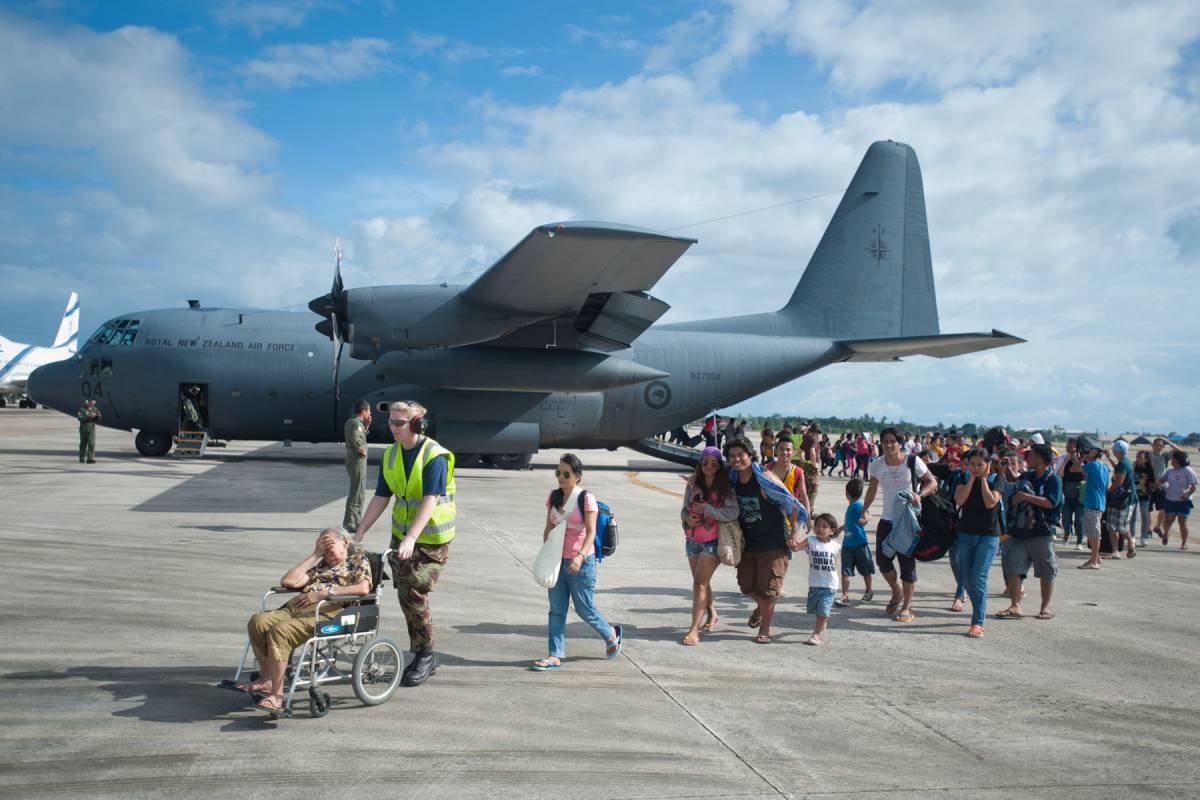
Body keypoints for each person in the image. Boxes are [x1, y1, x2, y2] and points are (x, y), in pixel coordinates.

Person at [353, 400, 455, 687]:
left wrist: (411, 537)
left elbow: (430, 499)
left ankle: (425, 654)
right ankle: (422, 649)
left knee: (413, 593)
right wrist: (361, 529)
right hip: (403, 537)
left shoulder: (434, 455)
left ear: (416, 424)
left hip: (431, 539)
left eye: (399, 423)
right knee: (402, 593)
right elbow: (382, 496)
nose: (393, 427)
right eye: (391, 422)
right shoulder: (391, 455)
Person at [243, 528, 371, 717]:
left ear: (345, 542)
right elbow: (288, 581)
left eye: (329, 546)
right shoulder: (321, 565)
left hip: (328, 610)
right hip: (296, 607)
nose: (327, 552)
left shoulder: (357, 561)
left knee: (280, 631)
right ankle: (267, 678)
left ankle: (276, 697)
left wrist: (324, 594)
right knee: (258, 621)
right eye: (322, 547)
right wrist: (315, 555)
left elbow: (364, 587)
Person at [531, 454, 623, 669]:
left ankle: (610, 634)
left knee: (584, 608)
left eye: (566, 474)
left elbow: (591, 532)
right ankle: (554, 655)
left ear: (577, 476)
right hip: (557, 560)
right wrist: (546, 553)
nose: (561, 477)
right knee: (556, 609)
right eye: (558, 473)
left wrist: (580, 556)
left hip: (581, 561)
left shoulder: (585, 498)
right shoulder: (553, 497)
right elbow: (549, 528)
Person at [725, 437, 806, 644]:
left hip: (773, 542)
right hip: (748, 542)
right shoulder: (731, 478)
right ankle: (762, 608)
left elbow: (791, 503)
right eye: (732, 456)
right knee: (746, 585)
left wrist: (794, 533)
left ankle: (765, 628)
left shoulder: (764, 477)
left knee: (769, 590)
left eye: (740, 455)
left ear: (750, 455)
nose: (736, 459)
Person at [861, 427, 937, 622]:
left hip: (907, 521)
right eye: (885, 441)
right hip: (886, 520)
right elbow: (872, 489)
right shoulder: (877, 466)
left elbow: (932, 483)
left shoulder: (912, 461)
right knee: (882, 561)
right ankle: (896, 591)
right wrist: (864, 509)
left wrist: (919, 495)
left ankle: (907, 607)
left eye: (892, 441)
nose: (888, 445)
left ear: (899, 443)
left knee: (906, 564)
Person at [679, 447, 740, 645]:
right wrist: (687, 519)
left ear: (719, 466)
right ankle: (712, 613)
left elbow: (732, 512)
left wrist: (708, 510)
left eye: (714, 464)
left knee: (699, 583)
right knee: (702, 582)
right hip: (692, 539)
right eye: (705, 463)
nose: (709, 467)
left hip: (713, 541)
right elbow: (684, 509)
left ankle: (693, 629)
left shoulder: (725, 488)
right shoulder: (692, 484)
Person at [997, 443, 1062, 621]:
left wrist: (1025, 497)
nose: (1028, 458)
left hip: (1042, 532)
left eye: (1031, 456)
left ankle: (1045, 607)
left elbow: (1051, 503)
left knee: (1047, 570)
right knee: (1013, 568)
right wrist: (1007, 469)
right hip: (1022, 531)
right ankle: (1015, 605)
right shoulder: (1029, 475)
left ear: (1040, 459)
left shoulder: (1052, 479)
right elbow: (1015, 481)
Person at [952, 449, 1003, 637]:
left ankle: (977, 621)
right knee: (966, 577)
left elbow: (991, 502)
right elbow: (960, 499)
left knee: (978, 577)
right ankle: (977, 609)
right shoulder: (963, 478)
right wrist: (972, 478)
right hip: (966, 534)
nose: (975, 467)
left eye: (979, 464)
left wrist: (983, 480)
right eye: (971, 464)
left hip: (988, 536)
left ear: (988, 465)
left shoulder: (997, 479)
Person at [795, 513, 842, 645]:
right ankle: (822, 622)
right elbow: (796, 547)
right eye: (817, 526)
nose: (820, 529)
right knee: (813, 609)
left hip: (830, 585)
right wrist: (792, 542)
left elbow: (839, 562)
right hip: (815, 583)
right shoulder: (811, 541)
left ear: (832, 531)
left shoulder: (836, 546)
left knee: (823, 609)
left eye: (824, 526)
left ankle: (817, 634)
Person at [835, 477, 873, 606]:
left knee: (865, 570)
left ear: (847, 494)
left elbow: (868, 514)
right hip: (847, 545)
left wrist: (865, 519)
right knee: (846, 570)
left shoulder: (859, 505)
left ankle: (868, 591)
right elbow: (849, 523)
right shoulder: (852, 505)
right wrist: (840, 529)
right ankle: (845, 595)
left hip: (860, 545)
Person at [1076, 436, 1110, 570]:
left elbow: (1074, 468)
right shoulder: (1105, 467)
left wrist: (1083, 458)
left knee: (1094, 534)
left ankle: (1094, 560)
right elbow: (1107, 487)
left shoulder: (1091, 465)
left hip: (1091, 502)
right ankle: (1095, 558)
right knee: (1093, 532)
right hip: (1101, 502)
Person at [342, 400, 372, 533]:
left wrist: (366, 425)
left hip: (353, 459)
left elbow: (359, 434)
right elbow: (356, 438)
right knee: (357, 492)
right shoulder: (356, 424)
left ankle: (355, 520)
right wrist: (362, 449)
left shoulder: (352, 421)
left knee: (358, 490)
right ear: (364, 411)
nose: (370, 413)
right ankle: (350, 522)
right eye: (369, 410)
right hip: (357, 460)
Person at [1104, 440, 1138, 558]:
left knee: (1119, 526)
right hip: (1121, 499)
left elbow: (1118, 482)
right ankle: (1117, 550)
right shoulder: (1124, 462)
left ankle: (1129, 542)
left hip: (1124, 500)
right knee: (1114, 525)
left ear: (1118, 451)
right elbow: (1117, 469)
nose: (1113, 451)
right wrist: (1109, 459)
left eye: (1114, 449)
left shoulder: (1123, 464)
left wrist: (1107, 491)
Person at [1159, 450, 1196, 549]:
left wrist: (1187, 494)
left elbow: (1193, 486)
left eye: (1173, 459)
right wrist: (1158, 484)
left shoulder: (1187, 471)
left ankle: (1184, 543)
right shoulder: (1170, 471)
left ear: (1179, 460)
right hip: (1170, 499)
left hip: (1183, 500)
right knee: (1168, 520)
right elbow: (1162, 480)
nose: (1172, 460)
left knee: (1182, 522)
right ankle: (1166, 533)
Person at [767, 437, 811, 518]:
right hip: (769, 518)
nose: (784, 452)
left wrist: (808, 515)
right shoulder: (767, 469)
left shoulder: (798, 472)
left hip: (790, 521)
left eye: (788, 449)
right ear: (776, 451)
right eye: (781, 449)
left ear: (793, 452)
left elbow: (804, 495)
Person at [1057, 438, 1087, 550]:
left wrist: (1076, 461)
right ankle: (1067, 533)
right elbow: (1059, 475)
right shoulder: (1063, 459)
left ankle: (1079, 541)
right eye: (1067, 446)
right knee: (1065, 518)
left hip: (1080, 495)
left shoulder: (1083, 460)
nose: (1068, 449)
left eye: (1071, 447)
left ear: (1076, 448)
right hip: (1067, 495)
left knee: (1079, 520)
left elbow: (1084, 474)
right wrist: (1066, 461)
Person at [1132, 450, 1156, 546]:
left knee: (1145, 516)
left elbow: (1152, 482)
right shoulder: (1134, 466)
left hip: (1145, 496)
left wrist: (1150, 489)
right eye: (1137, 457)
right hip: (1133, 495)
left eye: (1140, 457)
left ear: (1146, 459)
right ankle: (1132, 536)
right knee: (1132, 516)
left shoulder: (1149, 469)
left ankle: (1144, 536)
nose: (1138, 459)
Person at [76, 398, 100, 463]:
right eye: (91, 403)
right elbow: (80, 418)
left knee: (92, 444)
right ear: (88, 403)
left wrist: (97, 416)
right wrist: (88, 416)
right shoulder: (82, 409)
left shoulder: (95, 409)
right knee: (83, 444)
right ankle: (82, 457)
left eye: (93, 403)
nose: (92, 405)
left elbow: (99, 418)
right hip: (84, 429)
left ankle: (90, 458)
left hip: (91, 429)